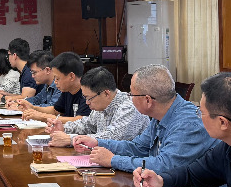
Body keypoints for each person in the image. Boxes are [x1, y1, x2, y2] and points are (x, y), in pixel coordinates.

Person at [74, 64, 214, 172]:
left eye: (131, 94)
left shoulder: (187, 123)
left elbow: (164, 165)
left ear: (147, 100)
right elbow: (138, 147)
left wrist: (113, 160)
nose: (129, 98)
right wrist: (97, 142)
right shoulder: (159, 116)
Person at [47, 67, 149, 147]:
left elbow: (111, 137)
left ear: (106, 93)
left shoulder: (129, 107)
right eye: (85, 98)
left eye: (89, 98)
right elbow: (87, 125)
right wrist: (64, 128)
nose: (87, 102)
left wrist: (71, 139)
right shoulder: (101, 106)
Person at [22, 52, 90, 123]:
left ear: (71, 76)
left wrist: (43, 117)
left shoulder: (87, 92)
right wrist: (33, 108)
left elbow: (80, 120)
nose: (55, 82)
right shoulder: (67, 90)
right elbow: (55, 111)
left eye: (57, 78)